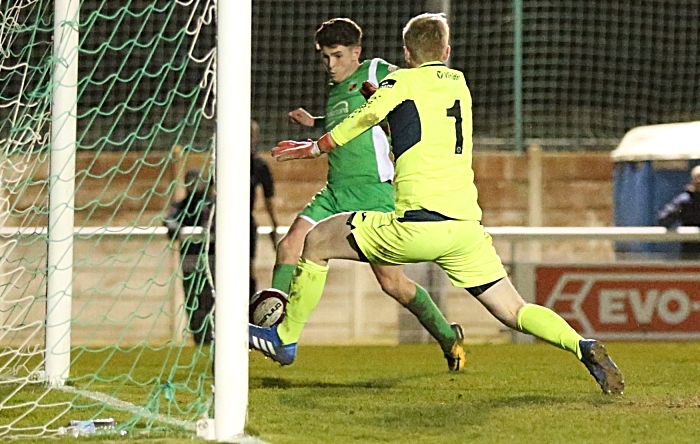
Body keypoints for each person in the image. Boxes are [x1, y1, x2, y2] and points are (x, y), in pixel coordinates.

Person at [249, 13, 625, 395]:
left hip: (416, 225)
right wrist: (380, 108)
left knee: (315, 243)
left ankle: (285, 337)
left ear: (406, 53)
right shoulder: (458, 83)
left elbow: (363, 119)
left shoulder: (398, 80)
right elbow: (411, 124)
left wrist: (313, 146)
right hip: (465, 231)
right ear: (446, 52)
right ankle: (582, 346)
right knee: (514, 310)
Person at [270, 17, 465, 371]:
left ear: (357, 53)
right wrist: (315, 124)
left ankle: (449, 338)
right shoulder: (335, 91)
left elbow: (406, 97)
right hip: (334, 191)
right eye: (325, 57)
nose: (331, 64)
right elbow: (349, 123)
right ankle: (276, 328)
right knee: (290, 244)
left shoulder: (376, 70)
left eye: (338, 55)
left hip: (374, 192)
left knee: (393, 283)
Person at [164, 168, 215, 346]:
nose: (193, 186)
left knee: (211, 296)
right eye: (189, 182)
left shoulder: (212, 205)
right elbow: (169, 221)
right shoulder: (182, 205)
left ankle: (214, 334)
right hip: (190, 258)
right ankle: (199, 337)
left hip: (212, 258)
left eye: (196, 181)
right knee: (192, 296)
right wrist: (176, 229)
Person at [250, 119, 280, 299]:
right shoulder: (223, 163)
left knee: (248, 269)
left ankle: (248, 314)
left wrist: (274, 226)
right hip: (222, 223)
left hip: (246, 222)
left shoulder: (259, 166)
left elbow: (269, 198)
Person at [658, 165, 700, 259]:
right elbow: (664, 219)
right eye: (698, 178)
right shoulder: (685, 201)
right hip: (691, 251)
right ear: (693, 180)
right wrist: (679, 210)